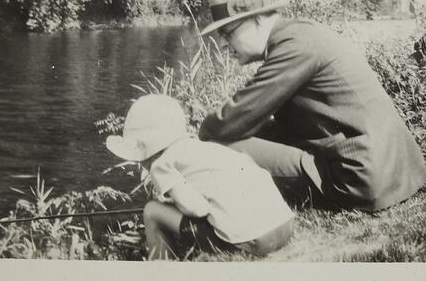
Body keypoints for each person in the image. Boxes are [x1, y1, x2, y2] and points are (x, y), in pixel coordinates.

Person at [198, 0, 426, 211]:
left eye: (227, 32)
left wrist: (200, 134)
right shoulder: (300, 34)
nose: (223, 44)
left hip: (358, 180)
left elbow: (226, 123)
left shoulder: (292, 48)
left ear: (256, 18)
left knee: (218, 147)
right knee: (251, 132)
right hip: (391, 169)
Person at [105, 94, 294, 260]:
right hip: (284, 226)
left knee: (152, 210)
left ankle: (160, 274)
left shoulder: (160, 165)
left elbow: (198, 210)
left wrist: (173, 205)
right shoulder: (202, 148)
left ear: (144, 149)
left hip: (254, 242)